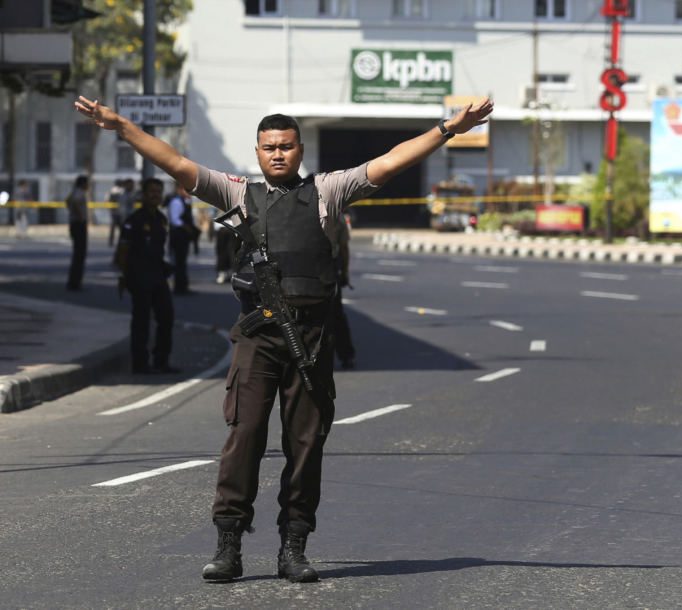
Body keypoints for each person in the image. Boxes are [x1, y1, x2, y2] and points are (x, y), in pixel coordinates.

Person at [74, 94, 493, 583]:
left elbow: (388, 163)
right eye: (269, 147)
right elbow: (177, 163)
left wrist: (447, 129)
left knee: (306, 443)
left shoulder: (326, 191)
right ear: (257, 152)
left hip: (311, 339)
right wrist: (120, 125)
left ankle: (294, 545)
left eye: (287, 146)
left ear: (299, 150)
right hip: (258, 337)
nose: (278, 154)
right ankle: (229, 543)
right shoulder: (237, 193)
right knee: (245, 435)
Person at [114, 177, 178, 375]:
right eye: (151, 191)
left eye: (158, 192)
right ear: (143, 194)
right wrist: (123, 276)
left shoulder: (161, 219)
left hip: (158, 275)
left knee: (166, 317)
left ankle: (161, 360)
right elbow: (122, 251)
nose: (155, 195)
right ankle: (140, 363)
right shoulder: (134, 220)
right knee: (141, 321)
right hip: (138, 276)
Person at [331, 212, 356, 369]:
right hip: (330, 270)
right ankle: (346, 355)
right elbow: (344, 248)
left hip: (309, 270)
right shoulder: (335, 214)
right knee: (336, 316)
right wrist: (344, 272)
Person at [165, 182, 197, 294]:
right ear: (179, 190)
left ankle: (183, 286)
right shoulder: (176, 202)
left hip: (183, 236)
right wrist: (186, 227)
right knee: (178, 262)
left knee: (182, 262)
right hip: (178, 235)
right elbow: (175, 220)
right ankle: (179, 287)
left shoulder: (185, 201)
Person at [65, 175, 89, 291]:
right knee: (80, 254)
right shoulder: (80, 193)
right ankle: (75, 282)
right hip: (79, 224)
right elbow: (74, 203)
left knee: (77, 254)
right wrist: (80, 217)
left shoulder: (74, 191)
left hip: (74, 224)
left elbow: (68, 201)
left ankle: (73, 281)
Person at [107, 179, 125, 247]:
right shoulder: (122, 191)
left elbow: (107, 200)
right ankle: (122, 241)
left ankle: (111, 241)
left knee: (113, 228)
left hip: (114, 211)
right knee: (121, 228)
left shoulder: (112, 190)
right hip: (119, 211)